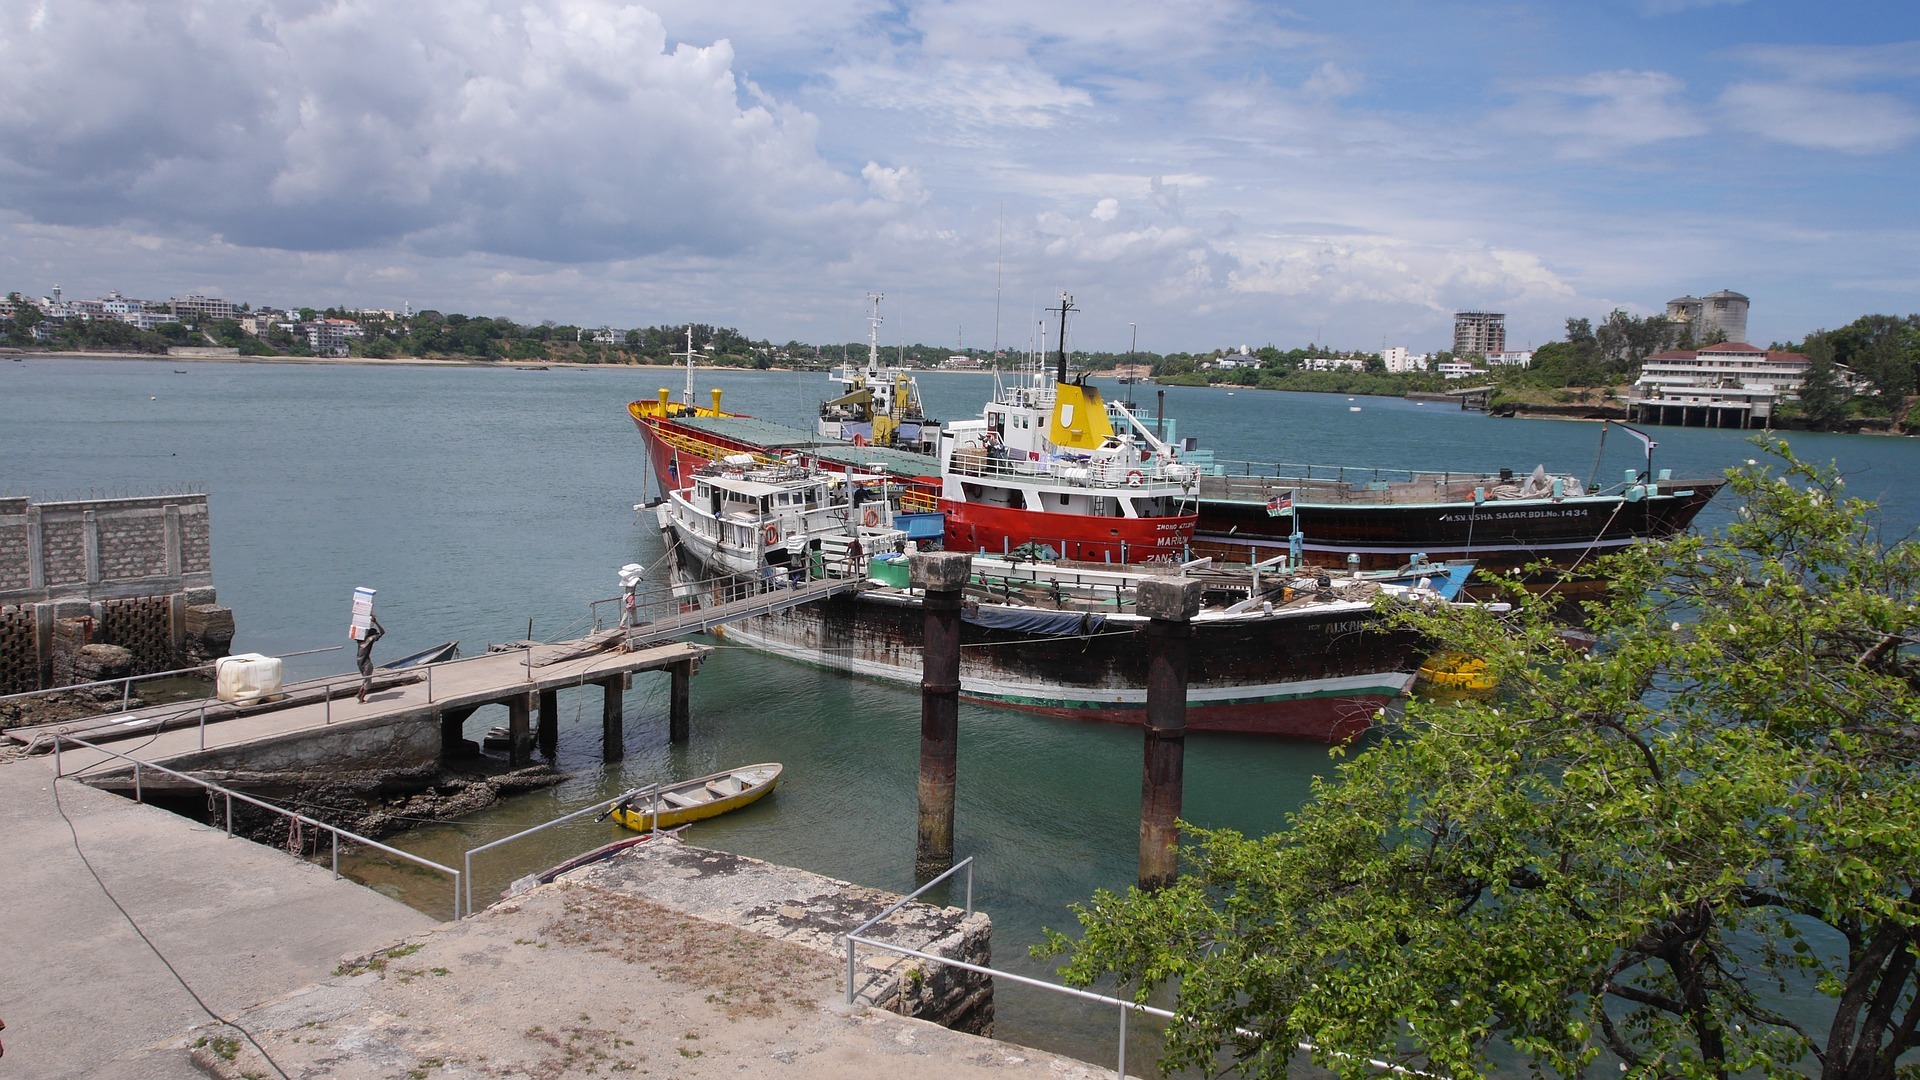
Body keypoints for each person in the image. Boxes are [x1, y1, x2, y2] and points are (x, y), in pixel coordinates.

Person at [355, 614, 384, 703]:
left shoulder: (360, 640)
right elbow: (382, 632)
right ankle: (361, 699)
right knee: (368, 682)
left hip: (359, 662)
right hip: (366, 663)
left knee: (365, 678)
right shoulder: (371, 639)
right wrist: (376, 622)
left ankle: (359, 694)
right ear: (374, 634)